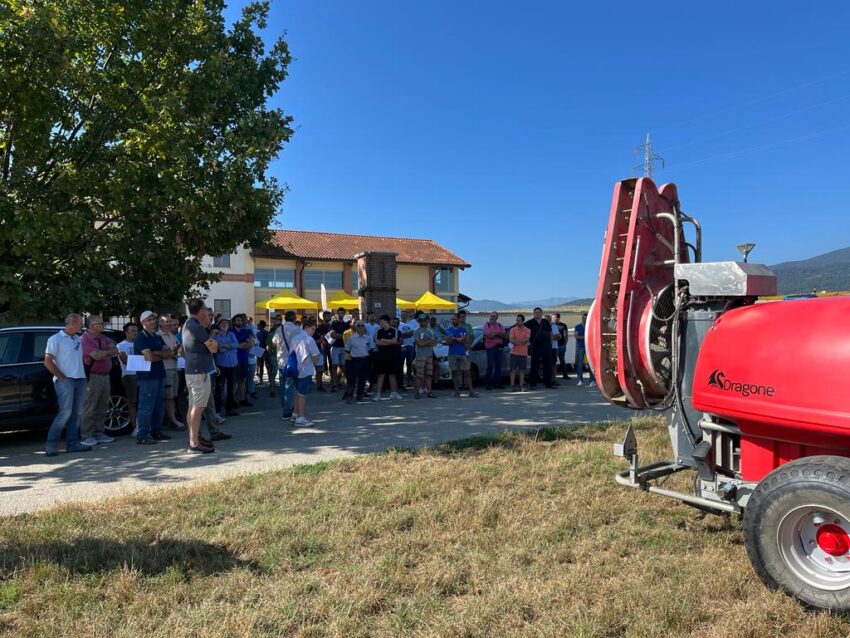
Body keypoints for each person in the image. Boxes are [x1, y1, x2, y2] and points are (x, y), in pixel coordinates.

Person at [43, 313, 92, 456]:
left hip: (80, 379)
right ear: (72, 323)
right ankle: (51, 444)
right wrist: (62, 377)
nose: (82, 325)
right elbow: (47, 360)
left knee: (77, 413)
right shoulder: (55, 338)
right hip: (66, 381)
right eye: (80, 323)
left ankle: (73, 443)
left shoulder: (77, 338)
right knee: (65, 412)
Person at [181, 299, 219, 454]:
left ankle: (193, 438)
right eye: (206, 309)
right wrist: (214, 342)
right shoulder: (196, 327)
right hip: (200, 372)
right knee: (198, 408)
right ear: (201, 311)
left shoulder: (187, 325)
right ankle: (194, 443)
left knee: (192, 406)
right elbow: (214, 348)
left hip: (193, 371)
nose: (207, 312)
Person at [134, 310, 174, 444]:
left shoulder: (157, 336)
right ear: (143, 322)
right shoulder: (141, 337)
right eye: (149, 320)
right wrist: (160, 354)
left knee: (159, 406)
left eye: (153, 319)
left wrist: (157, 353)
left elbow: (169, 352)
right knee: (146, 406)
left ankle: (156, 432)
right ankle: (142, 434)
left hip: (159, 374)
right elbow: (149, 357)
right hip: (147, 377)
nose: (153, 322)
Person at [79, 315, 119, 447]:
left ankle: (99, 432)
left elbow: (116, 349)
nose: (102, 325)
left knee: (103, 405)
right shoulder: (85, 339)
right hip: (93, 376)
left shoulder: (103, 338)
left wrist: (104, 353)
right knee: (90, 406)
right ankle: (87, 435)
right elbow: (96, 355)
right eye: (100, 323)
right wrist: (107, 352)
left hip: (105, 375)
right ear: (91, 325)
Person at [158, 314, 185, 431]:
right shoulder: (158, 336)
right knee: (168, 396)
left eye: (170, 321)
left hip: (175, 367)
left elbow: (176, 351)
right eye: (166, 322)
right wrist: (173, 353)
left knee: (173, 395)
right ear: (160, 323)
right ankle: (171, 420)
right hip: (166, 368)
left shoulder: (172, 336)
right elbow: (167, 353)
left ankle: (171, 418)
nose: (169, 323)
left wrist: (174, 353)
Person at [272, 310, 301, 420]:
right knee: (290, 386)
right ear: (294, 319)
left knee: (283, 385)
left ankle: (285, 406)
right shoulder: (297, 329)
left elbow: (274, 343)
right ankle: (287, 410)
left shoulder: (280, 329)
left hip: (281, 360)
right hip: (292, 361)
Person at [290, 317, 319, 426]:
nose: (314, 331)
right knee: (302, 394)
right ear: (306, 327)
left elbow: (291, 353)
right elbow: (316, 355)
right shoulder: (309, 339)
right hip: (305, 369)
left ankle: (295, 414)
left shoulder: (295, 338)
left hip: (295, 368)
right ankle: (300, 418)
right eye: (312, 329)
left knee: (298, 393)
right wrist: (314, 363)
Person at [444, 313, 477, 398]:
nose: (453, 321)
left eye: (454, 319)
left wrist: (454, 339)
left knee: (467, 372)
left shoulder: (463, 330)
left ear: (458, 319)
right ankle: (457, 392)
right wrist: (458, 339)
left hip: (462, 353)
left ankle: (471, 391)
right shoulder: (448, 330)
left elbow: (464, 340)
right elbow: (448, 341)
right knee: (454, 373)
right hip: (452, 353)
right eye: (452, 319)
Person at [372, 314, 403, 400]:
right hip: (381, 356)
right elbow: (377, 342)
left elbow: (394, 341)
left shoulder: (394, 330)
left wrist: (384, 340)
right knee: (381, 374)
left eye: (381, 321)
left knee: (392, 374)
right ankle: (378, 394)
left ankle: (393, 393)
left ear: (386, 321)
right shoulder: (379, 331)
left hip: (392, 356)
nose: (380, 323)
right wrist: (388, 342)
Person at [213, 318, 239, 416]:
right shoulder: (216, 336)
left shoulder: (231, 334)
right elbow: (217, 348)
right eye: (222, 323)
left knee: (231, 388)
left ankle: (230, 409)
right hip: (221, 366)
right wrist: (228, 347)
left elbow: (236, 345)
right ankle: (218, 410)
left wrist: (224, 346)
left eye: (226, 323)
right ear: (219, 325)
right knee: (219, 388)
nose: (224, 325)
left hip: (233, 365)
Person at [116, 322, 139, 434]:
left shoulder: (140, 343)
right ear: (126, 332)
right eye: (132, 331)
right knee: (132, 401)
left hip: (142, 374)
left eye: (136, 331)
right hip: (129, 375)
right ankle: (134, 426)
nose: (135, 333)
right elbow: (125, 361)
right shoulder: (121, 345)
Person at [343, 321, 371, 403]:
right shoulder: (352, 338)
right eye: (359, 326)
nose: (361, 327)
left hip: (365, 359)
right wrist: (354, 355)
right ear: (356, 327)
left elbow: (370, 348)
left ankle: (360, 395)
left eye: (362, 325)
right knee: (352, 379)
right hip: (355, 360)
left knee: (363, 379)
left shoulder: (367, 338)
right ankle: (349, 396)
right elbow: (347, 349)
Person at [230, 314, 254, 407]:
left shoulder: (245, 332)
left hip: (244, 359)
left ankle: (242, 399)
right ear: (234, 322)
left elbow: (250, 344)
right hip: (233, 360)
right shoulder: (231, 332)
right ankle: (233, 400)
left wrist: (239, 345)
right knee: (233, 381)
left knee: (242, 381)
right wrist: (242, 345)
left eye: (240, 320)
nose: (239, 322)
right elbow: (233, 345)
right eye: (237, 320)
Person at [412, 312, 437, 398]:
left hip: (429, 355)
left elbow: (434, 343)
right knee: (419, 375)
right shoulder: (416, 331)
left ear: (427, 321)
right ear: (419, 322)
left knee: (429, 374)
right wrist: (428, 341)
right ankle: (417, 393)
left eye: (424, 321)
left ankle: (429, 392)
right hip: (420, 355)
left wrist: (425, 342)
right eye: (421, 321)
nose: (423, 322)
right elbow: (419, 343)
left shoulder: (430, 331)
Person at [482, 312, 506, 390]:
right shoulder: (486, 325)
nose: (492, 317)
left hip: (499, 348)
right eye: (491, 316)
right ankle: (488, 384)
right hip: (490, 348)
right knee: (490, 365)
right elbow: (489, 335)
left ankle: (497, 383)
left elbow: (504, 335)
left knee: (498, 366)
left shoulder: (500, 325)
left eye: (494, 316)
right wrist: (498, 334)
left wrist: (495, 334)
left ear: (497, 318)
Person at [508, 314, 531, 392]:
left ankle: (521, 386)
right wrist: (521, 342)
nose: (517, 322)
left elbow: (526, 340)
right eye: (517, 320)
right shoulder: (512, 329)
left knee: (522, 371)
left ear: (523, 321)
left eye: (519, 320)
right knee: (512, 370)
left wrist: (516, 341)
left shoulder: (527, 330)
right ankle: (512, 386)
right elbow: (511, 340)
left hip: (523, 353)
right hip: (513, 353)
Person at [329, 308, 349, 392]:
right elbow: (332, 335)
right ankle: (334, 384)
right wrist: (342, 336)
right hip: (335, 347)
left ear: (344, 314)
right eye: (339, 313)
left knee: (343, 366)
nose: (341, 314)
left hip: (343, 347)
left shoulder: (346, 324)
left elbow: (347, 335)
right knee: (334, 366)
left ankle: (345, 384)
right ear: (337, 314)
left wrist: (339, 336)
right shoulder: (333, 323)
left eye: (342, 313)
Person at [574, 312, 595, 386]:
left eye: (586, 318)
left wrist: (582, 337)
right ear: (581, 318)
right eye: (583, 318)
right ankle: (580, 380)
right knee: (579, 364)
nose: (584, 319)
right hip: (580, 347)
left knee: (591, 365)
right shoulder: (578, 326)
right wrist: (586, 337)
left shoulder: (591, 326)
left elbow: (593, 336)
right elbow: (576, 336)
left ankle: (592, 381)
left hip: (589, 347)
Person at [399, 310, 419, 386]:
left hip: (410, 345)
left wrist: (403, 335)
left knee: (410, 363)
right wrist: (407, 334)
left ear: (407, 315)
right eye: (402, 314)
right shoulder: (399, 324)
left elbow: (413, 333)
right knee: (400, 363)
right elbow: (400, 335)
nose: (403, 315)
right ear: (400, 315)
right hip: (401, 346)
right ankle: (400, 381)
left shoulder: (412, 324)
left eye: (405, 314)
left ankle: (409, 379)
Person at [314, 311, 332, 391]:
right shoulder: (319, 327)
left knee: (332, 364)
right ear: (324, 317)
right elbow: (317, 338)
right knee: (321, 366)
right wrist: (322, 340)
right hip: (321, 348)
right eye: (328, 316)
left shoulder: (332, 326)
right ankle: (319, 384)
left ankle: (333, 381)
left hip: (331, 347)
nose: (329, 317)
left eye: (330, 316)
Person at [265, 315, 280, 397]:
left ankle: (272, 389)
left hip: (274, 356)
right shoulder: (271, 335)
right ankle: (273, 389)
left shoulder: (270, 334)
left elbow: (267, 347)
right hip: (277, 356)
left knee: (273, 374)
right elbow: (268, 347)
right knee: (276, 373)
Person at [553, 312, 569, 380]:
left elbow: (566, 336)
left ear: (558, 318)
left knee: (562, 361)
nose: (554, 319)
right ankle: (554, 376)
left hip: (561, 345)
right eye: (553, 318)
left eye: (555, 317)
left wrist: (565, 345)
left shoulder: (563, 325)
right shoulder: (551, 325)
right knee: (553, 361)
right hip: (554, 346)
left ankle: (565, 375)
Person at [255, 320, 269, 386]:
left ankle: (261, 379)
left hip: (261, 349)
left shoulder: (260, 333)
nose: (257, 325)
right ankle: (261, 379)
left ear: (261, 325)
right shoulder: (265, 332)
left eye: (258, 324)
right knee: (261, 365)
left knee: (261, 365)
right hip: (261, 349)